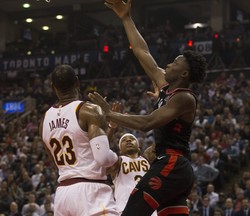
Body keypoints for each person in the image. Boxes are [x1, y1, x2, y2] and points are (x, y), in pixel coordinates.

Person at [88, 0, 207, 215]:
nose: (168, 64)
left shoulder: (184, 98)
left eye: (175, 62)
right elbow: (142, 52)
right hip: (173, 168)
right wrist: (126, 18)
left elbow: (148, 123)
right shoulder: (166, 86)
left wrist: (109, 113)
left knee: (133, 210)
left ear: (184, 74)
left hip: (171, 164)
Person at [39, 64, 119, 216]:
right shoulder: (89, 110)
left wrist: (111, 127)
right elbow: (102, 157)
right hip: (91, 192)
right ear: (77, 81)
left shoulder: (43, 120)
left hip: (63, 194)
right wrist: (117, 160)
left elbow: (57, 163)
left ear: (52, 87)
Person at [108, 132, 157, 215]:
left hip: (149, 208)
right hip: (125, 208)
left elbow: (160, 142)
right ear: (120, 149)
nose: (128, 140)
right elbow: (103, 148)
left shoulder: (146, 158)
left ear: (138, 147)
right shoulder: (118, 162)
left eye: (132, 139)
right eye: (124, 140)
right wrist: (111, 128)